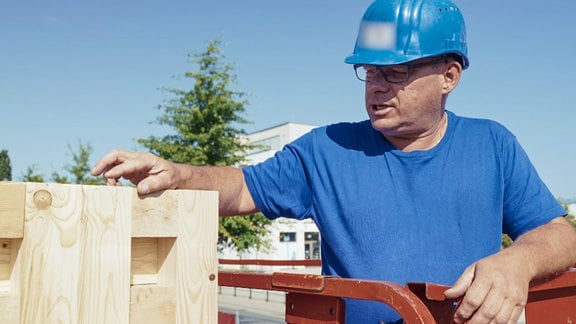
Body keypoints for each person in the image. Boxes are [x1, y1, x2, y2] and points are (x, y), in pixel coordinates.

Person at [92, 0, 576, 322]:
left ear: (449, 75)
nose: (376, 86)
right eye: (368, 72)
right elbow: (241, 187)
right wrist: (179, 175)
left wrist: (518, 262)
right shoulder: (327, 150)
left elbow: (559, 235)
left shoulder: (492, 144)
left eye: (396, 71)